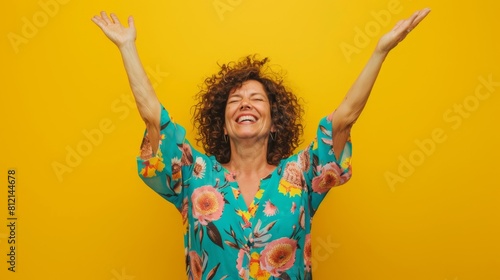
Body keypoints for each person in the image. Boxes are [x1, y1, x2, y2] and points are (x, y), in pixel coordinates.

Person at [92, 8, 430, 279]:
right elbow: (154, 118)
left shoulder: (301, 176)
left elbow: (344, 118)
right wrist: (127, 47)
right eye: (235, 100)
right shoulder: (194, 176)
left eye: (256, 99)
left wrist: (380, 51)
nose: (245, 104)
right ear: (223, 125)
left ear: (273, 121)